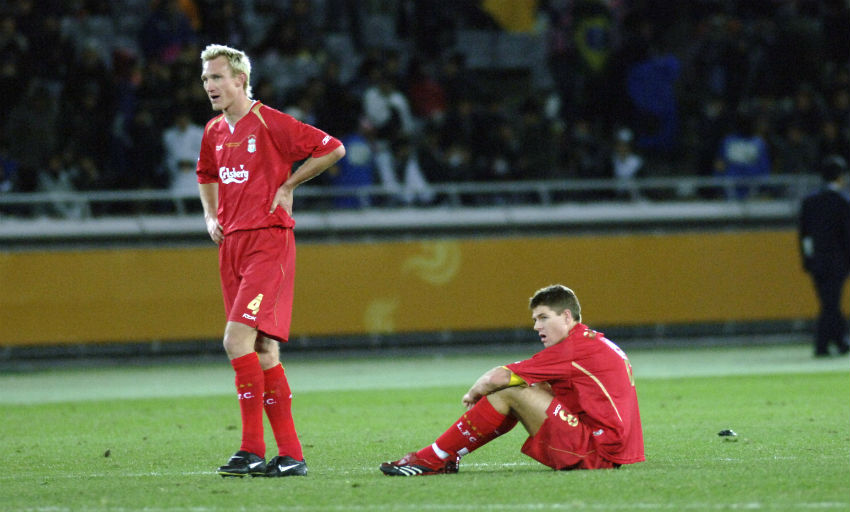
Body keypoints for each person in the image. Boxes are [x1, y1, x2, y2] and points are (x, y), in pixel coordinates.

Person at [195, 44, 345, 477]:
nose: (209, 86)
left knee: (235, 340)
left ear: (240, 80)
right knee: (263, 348)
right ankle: (291, 455)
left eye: (217, 77)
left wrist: (288, 185)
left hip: (268, 242)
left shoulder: (270, 121)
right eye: (205, 79)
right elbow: (206, 174)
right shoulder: (213, 130)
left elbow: (332, 148)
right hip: (232, 245)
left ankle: (251, 449)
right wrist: (210, 216)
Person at [380, 284, 644, 476]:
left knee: (510, 389)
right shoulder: (593, 342)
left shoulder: (572, 349)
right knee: (527, 386)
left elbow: (498, 377)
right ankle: (447, 456)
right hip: (609, 448)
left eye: (543, 318)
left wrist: (473, 393)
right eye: (535, 320)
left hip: (596, 452)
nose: (537, 326)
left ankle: (433, 458)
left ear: (566, 316)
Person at [798, 155, 850, 357]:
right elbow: (847, 236)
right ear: (840, 176)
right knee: (831, 303)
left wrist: (808, 259)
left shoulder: (810, 201)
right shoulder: (843, 201)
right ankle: (824, 345)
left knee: (828, 302)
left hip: (817, 261)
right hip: (838, 262)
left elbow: (805, 236)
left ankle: (839, 341)